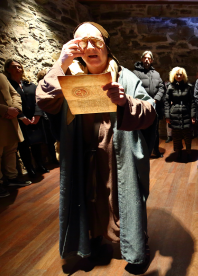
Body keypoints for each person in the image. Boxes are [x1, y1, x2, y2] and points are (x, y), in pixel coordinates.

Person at [36, 22, 157, 272]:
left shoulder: (125, 76)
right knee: (88, 196)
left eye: (96, 41)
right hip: (82, 150)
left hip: (119, 150)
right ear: (74, 46)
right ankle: (91, 241)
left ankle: (136, 249)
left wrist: (125, 101)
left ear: (106, 46)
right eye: (82, 42)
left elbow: (150, 110)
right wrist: (61, 63)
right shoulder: (67, 77)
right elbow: (43, 99)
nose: (90, 47)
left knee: (123, 197)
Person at [4, 59, 49, 178]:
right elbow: (10, 102)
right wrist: (21, 116)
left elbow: (38, 100)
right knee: (23, 146)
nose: (18, 68)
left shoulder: (29, 84)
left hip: (35, 118)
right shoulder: (9, 86)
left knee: (36, 144)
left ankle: (40, 165)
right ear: (8, 69)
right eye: (14, 67)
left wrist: (38, 115)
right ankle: (30, 169)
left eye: (19, 66)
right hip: (19, 119)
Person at [0, 73, 28, 197]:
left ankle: (12, 178)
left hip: (10, 120)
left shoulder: (2, 76)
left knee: (11, 150)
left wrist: (16, 108)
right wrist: (4, 110)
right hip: (3, 117)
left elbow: (14, 94)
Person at [133, 51, 165, 158]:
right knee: (141, 130)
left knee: (154, 130)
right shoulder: (135, 73)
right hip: (141, 105)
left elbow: (161, 87)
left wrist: (156, 99)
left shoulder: (156, 74)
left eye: (149, 58)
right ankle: (141, 152)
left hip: (154, 106)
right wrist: (142, 100)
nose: (147, 60)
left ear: (151, 60)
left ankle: (155, 150)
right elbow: (134, 88)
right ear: (142, 59)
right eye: (145, 58)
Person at [164, 67, 196, 162]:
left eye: (180, 74)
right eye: (177, 74)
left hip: (186, 112)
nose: (178, 76)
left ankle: (189, 152)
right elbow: (166, 102)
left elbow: (193, 102)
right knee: (176, 136)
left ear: (183, 76)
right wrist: (167, 116)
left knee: (187, 135)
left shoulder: (189, 87)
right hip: (174, 114)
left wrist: (193, 115)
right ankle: (178, 152)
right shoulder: (170, 87)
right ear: (174, 75)